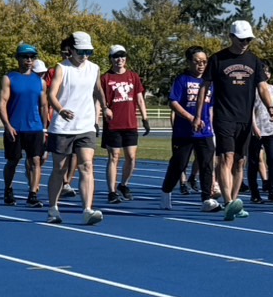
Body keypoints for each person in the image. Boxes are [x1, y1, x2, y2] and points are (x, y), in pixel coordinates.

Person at [194, 20, 260, 221]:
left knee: (240, 161)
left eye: (248, 39)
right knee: (226, 158)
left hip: (244, 118)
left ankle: (235, 201)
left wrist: (271, 107)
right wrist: (198, 114)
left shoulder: (254, 60)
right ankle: (229, 201)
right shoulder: (217, 59)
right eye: (241, 39)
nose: (245, 43)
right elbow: (204, 87)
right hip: (224, 116)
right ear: (232, 37)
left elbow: (263, 86)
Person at [43, 31, 105, 226]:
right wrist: (60, 110)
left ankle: (87, 209)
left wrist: (105, 107)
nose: (85, 56)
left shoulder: (94, 68)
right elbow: (51, 94)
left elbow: (98, 90)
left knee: (86, 165)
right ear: (71, 50)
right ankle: (53, 208)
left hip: (86, 125)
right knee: (59, 169)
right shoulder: (62, 68)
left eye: (88, 52)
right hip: (63, 127)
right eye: (81, 52)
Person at [161, 46, 219, 211]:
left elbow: (212, 105)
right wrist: (191, 118)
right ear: (188, 62)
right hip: (184, 132)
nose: (201, 65)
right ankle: (166, 191)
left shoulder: (210, 82)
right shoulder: (182, 80)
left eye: (204, 62)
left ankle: (206, 199)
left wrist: (211, 126)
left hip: (205, 131)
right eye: (197, 61)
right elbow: (173, 102)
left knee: (206, 165)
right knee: (179, 164)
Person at [99, 44, 150, 204]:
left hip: (130, 123)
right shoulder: (105, 78)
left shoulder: (133, 76)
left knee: (131, 157)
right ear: (111, 59)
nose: (119, 59)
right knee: (114, 157)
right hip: (113, 124)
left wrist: (145, 118)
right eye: (116, 56)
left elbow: (140, 98)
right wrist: (96, 120)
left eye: (122, 56)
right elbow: (99, 100)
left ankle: (124, 184)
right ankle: (112, 191)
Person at [0, 44, 47, 207]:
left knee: (36, 161)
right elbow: (2, 103)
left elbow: (43, 106)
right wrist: (7, 125)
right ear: (18, 58)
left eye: (32, 57)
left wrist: (44, 128)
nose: (29, 60)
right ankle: (8, 189)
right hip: (15, 127)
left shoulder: (40, 81)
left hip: (35, 128)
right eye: (25, 57)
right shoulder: (9, 78)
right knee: (13, 161)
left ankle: (33, 194)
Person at [248, 60, 273, 205]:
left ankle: (272, 191)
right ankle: (255, 193)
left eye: (268, 71)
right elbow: (250, 110)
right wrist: (254, 127)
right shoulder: (252, 89)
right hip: (256, 131)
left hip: (271, 130)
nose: (266, 74)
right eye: (263, 71)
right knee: (253, 162)